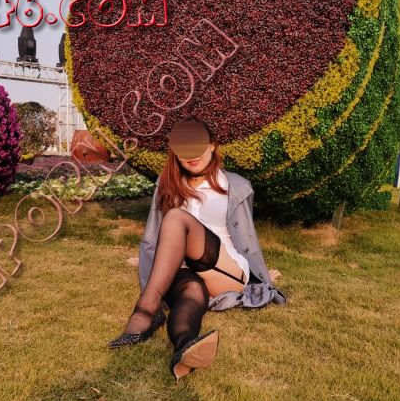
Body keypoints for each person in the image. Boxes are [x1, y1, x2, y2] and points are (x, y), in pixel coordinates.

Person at [106, 118, 287, 381]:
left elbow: (247, 238)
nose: (191, 155)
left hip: (223, 269)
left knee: (176, 218)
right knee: (191, 292)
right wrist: (146, 263)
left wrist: (262, 276)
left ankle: (145, 311)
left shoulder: (236, 186)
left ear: (212, 145)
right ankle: (185, 346)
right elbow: (152, 237)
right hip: (184, 270)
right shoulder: (167, 184)